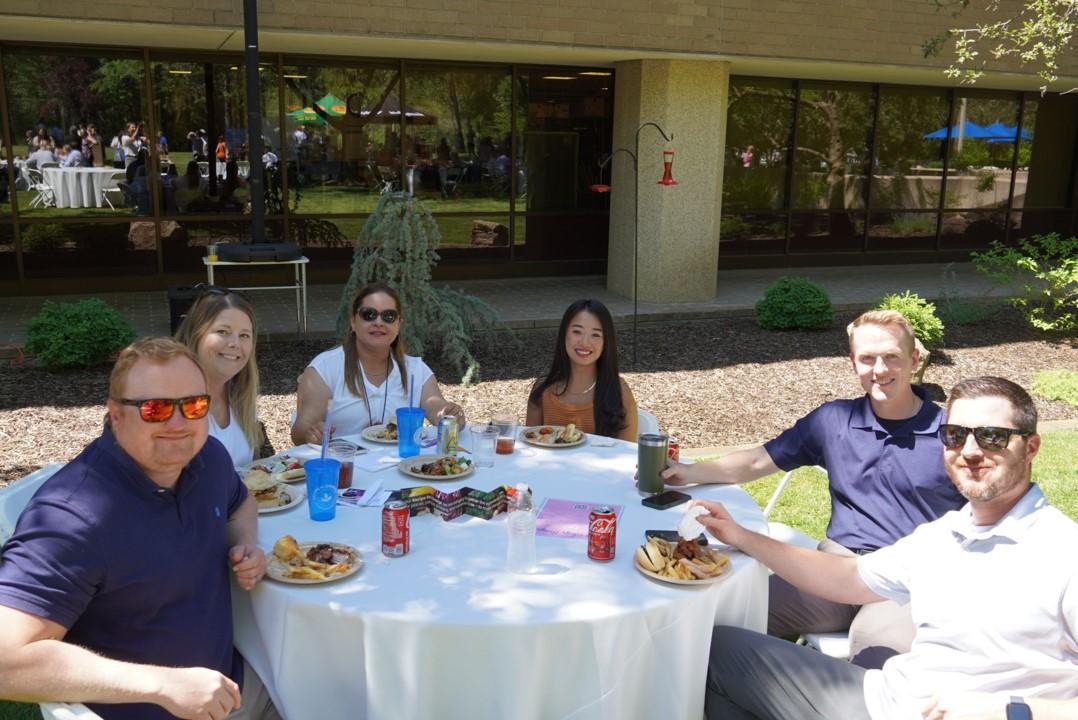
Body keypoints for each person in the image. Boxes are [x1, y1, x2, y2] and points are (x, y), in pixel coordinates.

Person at [702, 375, 1078, 720]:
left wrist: (1010, 710)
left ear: (1031, 447)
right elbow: (847, 578)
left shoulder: (1063, 553)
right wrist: (741, 536)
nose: (970, 450)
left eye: (992, 436)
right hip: (883, 701)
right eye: (954, 435)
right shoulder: (942, 536)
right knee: (715, 650)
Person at [662, 309, 963, 667]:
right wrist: (689, 471)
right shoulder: (835, 420)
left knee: (875, 657)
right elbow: (759, 461)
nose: (879, 370)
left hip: (905, 585)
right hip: (835, 569)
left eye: (891, 357)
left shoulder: (954, 434)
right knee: (719, 616)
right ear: (853, 362)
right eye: (867, 358)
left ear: (914, 360)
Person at [0, 337, 280, 720]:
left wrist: (247, 542)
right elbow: (6, 660)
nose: (179, 424)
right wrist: (163, 685)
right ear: (115, 415)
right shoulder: (74, 516)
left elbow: (241, 501)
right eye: (155, 408)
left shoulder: (208, 459)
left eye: (194, 405)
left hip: (234, 686)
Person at [291, 282, 465, 444]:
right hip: (344, 470)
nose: (378, 322)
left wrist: (450, 415)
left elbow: (437, 409)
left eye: (389, 316)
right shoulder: (325, 368)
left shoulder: (416, 370)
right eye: (369, 315)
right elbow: (300, 430)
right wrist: (312, 433)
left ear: (398, 324)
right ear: (353, 321)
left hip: (402, 469)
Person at [175, 289, 271, 467]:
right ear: (196, 336)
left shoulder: (241, 398)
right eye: (222, 331)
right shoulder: (173, 405)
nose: (234, 343)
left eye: (244, 335)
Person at [526, 299, 638, 442]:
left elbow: (627, 454)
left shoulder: (619, 392)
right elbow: (529, 447)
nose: (584, 342)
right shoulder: (542, 390)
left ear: (606, 342)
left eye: (595, 335)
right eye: (577, 331)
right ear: (564, 334)